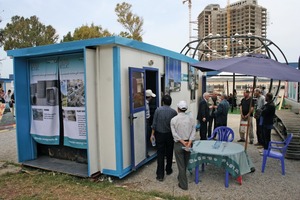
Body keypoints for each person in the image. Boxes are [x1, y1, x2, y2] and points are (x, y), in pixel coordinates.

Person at [151, 94, 177, 181]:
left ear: (163, 102)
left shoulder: (158, 110)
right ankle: (168, 170)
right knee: (169, 152)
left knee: (160, 154)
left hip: (160, 135)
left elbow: (154, 124)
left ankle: (160, 175)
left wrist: (152, 134)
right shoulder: (174, 112)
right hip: (170, 135)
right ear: (170, 102)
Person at [171, 100, 195, 190]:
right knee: (185, 163)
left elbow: (174, 134)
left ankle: (183, 185)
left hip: (178, 143)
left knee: (181, 165)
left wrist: (182, 141)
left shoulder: (173, 120)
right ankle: (181, 177)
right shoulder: (191, 119)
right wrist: (189, 142)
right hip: (189, 143)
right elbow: (193, 131)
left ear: (178, 109)